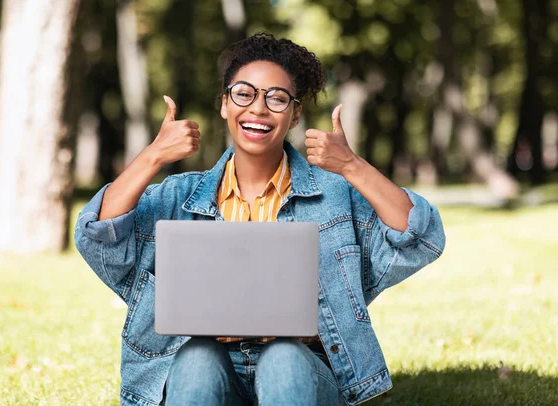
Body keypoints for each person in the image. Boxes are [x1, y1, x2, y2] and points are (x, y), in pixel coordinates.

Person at [75, 32, 446, 406]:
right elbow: (98, 236)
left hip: (303, 373)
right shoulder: (178, 197)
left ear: (295, 114)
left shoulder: (334, 197)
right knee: (196, 360)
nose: (258, 109)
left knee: (282, 359)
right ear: (224, 104)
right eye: (244, 93)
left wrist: (351, 166)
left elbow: (421, 235)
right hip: (209, 368)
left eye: (277, 98)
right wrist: (152, 156)